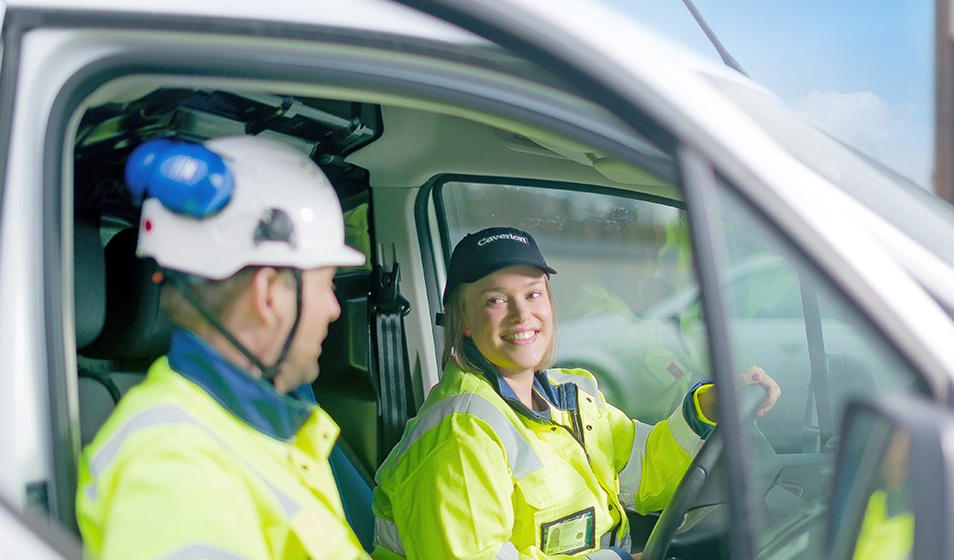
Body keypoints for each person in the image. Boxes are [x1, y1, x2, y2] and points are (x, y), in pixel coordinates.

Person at [372, 226, 780, 559]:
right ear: (464, 322)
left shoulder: (571, 395)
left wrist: (706, 406)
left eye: (533, 294)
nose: (522, 315)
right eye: (496, 300)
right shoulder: (460, 435)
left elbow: (647, 473)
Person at [76, 135, 371, 559]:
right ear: (269, 294)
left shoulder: (255, 429)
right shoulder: (175, 466)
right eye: (325, 284)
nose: (333, 310)